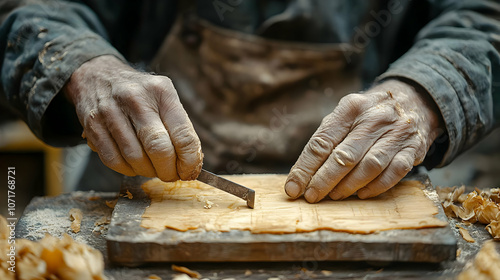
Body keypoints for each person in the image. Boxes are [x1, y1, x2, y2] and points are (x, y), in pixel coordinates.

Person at [0, 0, 499, 203]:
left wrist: (426, 91)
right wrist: (85, 67)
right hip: (143, 181)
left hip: (364, 189)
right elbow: (38, 7)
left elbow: (483, 17)